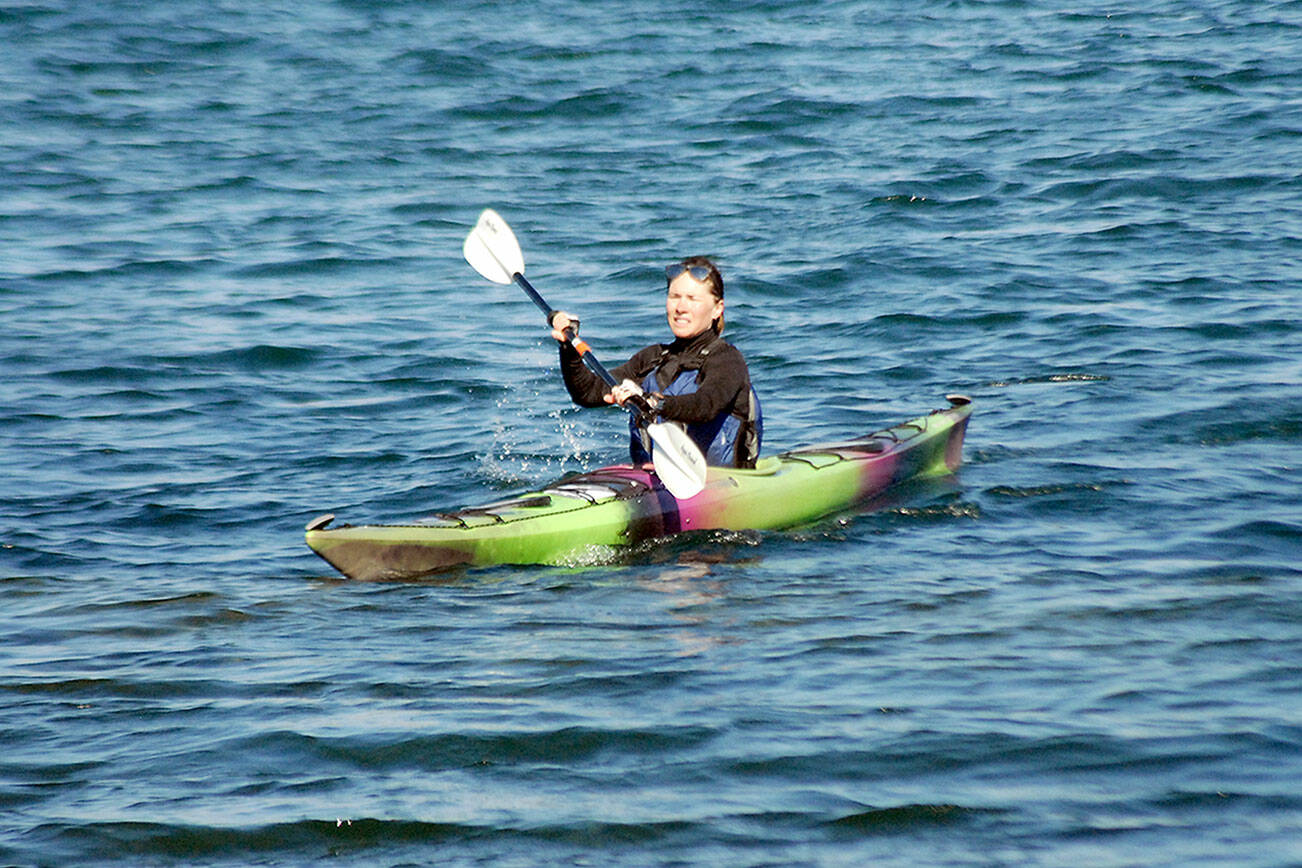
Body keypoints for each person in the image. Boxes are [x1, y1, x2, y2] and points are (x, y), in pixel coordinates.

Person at [549, 256, 762, 468]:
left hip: (721, 481)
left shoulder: (727, 359)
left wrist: (652, 402)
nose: (680, 307)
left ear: (717, 308)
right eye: (675, 296)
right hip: (653, 481)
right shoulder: (653, 358)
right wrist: (569, 349)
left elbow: (706, 405)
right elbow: (587, 392)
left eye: (692, 298)